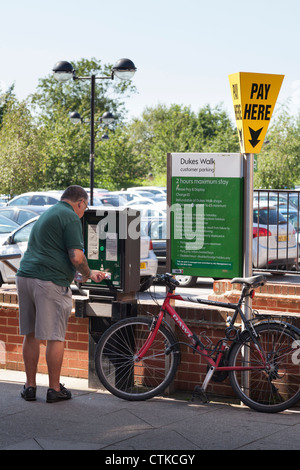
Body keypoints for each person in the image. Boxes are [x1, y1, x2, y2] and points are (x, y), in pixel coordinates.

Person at [16, 185, 106, 403]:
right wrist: (86, 273)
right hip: (49, 281)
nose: (84, 212)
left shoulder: (49, 212)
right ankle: (55, 389)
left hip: (25, 276)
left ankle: (29, 387)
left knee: (31, 334)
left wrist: (87, 273)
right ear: (80, 202)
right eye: (85, 207)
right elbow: (76, 257)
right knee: (55, 336)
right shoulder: (70, 217)